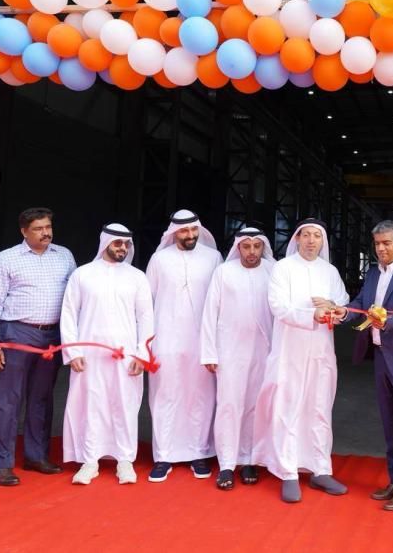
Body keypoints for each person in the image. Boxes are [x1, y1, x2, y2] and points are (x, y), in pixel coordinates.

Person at [334, 220, 393, 511]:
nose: (381, 248)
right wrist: (343, 312)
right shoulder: (374, 272)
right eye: (377, 243)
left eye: (387, 243)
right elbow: (362, 303)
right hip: (381, 357)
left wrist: (387, 321)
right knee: (390, 424)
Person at [252, 218, 350, 503]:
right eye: (306, 235)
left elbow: (342, 302)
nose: (311, 241)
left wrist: (335, 310)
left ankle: (321, 469)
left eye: (316, 236)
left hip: (321, 351)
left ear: (322, 241)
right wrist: (312, 314)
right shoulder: (283, 268)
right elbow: (278, 306)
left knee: (319, 409)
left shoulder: (329, 271)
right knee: (288, 408)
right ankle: (288, 472)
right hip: (289, 352)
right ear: (296, 238)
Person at [0, 207, 76, 486]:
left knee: (41, 399)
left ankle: (36, 456)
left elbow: (75, 297)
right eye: (38, 229)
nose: (45, 233)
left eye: (48, 227)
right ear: (24, 231)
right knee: (9, 401)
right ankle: (2, 464)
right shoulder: (7, 258)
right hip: (17, 333)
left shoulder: (64, 256)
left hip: (52, 336)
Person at [60, 223, 155, 486]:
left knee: (125, 405)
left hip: (127, 356)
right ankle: (89, 461)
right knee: (91, 405)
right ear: (105, 243)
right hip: (88, 355)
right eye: (117, 243)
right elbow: (69, 314)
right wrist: (72, 351)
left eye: (126, 244)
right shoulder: (83, 274)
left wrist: (142, 354)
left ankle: (125, 460)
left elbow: (146, 317)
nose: (122, 248)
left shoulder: (137, 277)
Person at [145, 210, 222, 483]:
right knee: (164, 394)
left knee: (201, 395)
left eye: (193, 230)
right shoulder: (159, 259)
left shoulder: (213, 258)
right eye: (184, 231)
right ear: (173, 232)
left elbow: (220, 301)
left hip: (202, 340)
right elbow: (147, 301)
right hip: (165, 338)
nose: (190, 235)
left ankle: (199, 453)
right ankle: (164, 455)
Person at [200, 226, 275, 491]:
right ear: (238, 247)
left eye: (257, 246)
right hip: (229, 350)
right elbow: (210, 312)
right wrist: (209, 351)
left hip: (263, 350)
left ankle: (249, 459)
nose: (252, 251)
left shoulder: (273, 271)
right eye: (246, 246)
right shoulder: (224, 272)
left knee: (255, 405)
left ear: (263, 247)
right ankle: (227, 464)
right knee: (229, 405)